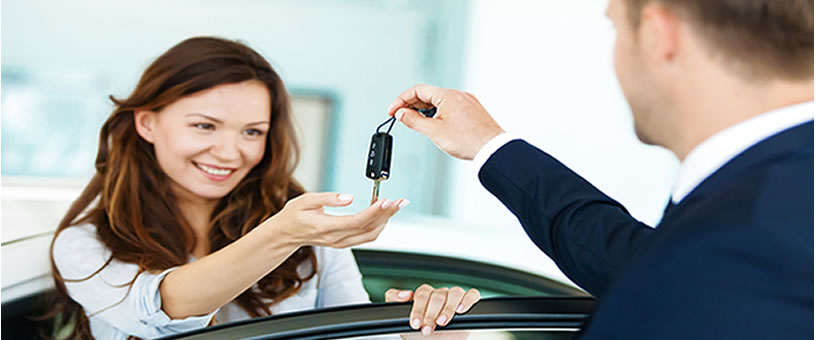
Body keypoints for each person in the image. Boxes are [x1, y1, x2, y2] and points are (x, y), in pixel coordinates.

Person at [386, 0, 813, 338]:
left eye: (616, 27)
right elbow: (635, 264)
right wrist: (490, 146)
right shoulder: (778, 199)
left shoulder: (752, 236)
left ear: (659, 36)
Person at [47, 36, 480, 340]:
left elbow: (352, 335)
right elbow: (156, 311)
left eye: (252, 132)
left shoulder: (312, 237)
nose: (230, 152)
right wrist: (283, 234)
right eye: (204, 126)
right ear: (147, 122)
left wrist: (424, 329)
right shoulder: (86, 245)